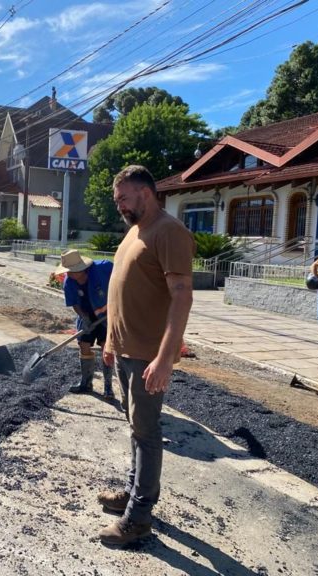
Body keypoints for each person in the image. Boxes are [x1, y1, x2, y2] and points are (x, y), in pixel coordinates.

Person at [97, 165, 194, 547]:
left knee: (147, 433)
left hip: (147, 356)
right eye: (116, 199)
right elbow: (120, 292)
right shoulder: (135, 231)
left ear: (146, 193)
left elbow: (182, 296)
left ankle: (138, 516)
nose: (119, 204)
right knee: (135, 428)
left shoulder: (169, 232)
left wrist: (165, 358)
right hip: (124, 350)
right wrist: (109, 340)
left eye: (123, 197)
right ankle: (132, 491)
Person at [57, 249, 114, 398]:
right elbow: (75, 303)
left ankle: (108, 387)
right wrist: (84, 317)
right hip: (86, 316)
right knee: (84, 346)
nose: (67, 274)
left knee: (105, 347)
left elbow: (122, 279)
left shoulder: (103, 268)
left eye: (70, 271)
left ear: (80, 269)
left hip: (107, 316)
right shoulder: (69, 282)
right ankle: (86, 383)